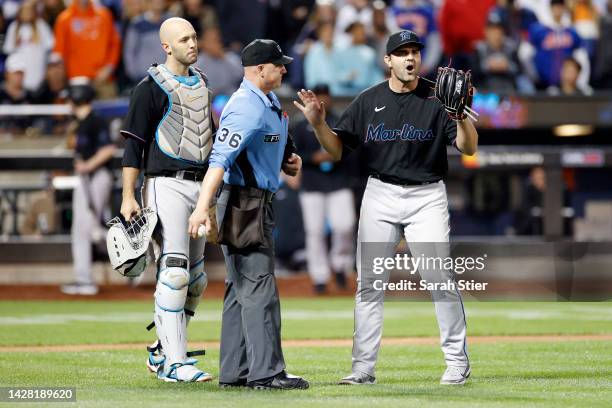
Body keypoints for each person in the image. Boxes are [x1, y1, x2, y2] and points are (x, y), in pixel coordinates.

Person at [294, 30, 479, 386]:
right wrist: (318, 125)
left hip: (426, 195)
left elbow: (468, 147)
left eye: (414, 52)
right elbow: (336, 150)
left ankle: (457, 362)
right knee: (369, 285)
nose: (410, 58)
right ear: (388, 60)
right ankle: (363, 369)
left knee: (439, 279)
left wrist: (460, 117)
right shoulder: (368, 100)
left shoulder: (438, 98)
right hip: (380, 193)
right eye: (402, 52)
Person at [187, 39, 309, 390]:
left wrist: (288, 159)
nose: (284, 69)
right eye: (278, 64)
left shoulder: (267, 100)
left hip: (255, 199)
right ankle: (267, 373)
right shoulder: (245, 107)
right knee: (259, 288)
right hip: (244, 203)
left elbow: (269, 144)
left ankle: (235, 371)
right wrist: (201, 207)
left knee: (239, 288)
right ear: (259, 69)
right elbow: (219, 160)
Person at [119, 17, 215, 383]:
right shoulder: (149, 87)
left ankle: (163, 351)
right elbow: (134, 146)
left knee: (196, 279)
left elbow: (208, 135)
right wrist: (129, 195)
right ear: (166, 46)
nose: (192, 43)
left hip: (200, 185)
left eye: (194, 36)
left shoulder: (202, 82)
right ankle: (175, 364)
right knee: (174, 271)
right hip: (165, 184)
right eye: (183, 39)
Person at [291, 84, 356, 294]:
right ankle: (319, 276)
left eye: (325, 96)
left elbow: (353, 147)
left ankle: (339, 264)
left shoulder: (341, 120)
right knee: (314, 231)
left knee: (344, 225)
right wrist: (313, 158)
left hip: (339, 179)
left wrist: (335, 153)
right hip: (312, 181)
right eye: (318, 96)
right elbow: (293, 152)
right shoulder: (301, 125)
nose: (322, 100)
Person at [60, 78, 116, 296]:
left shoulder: (95, 121)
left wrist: (87, 165)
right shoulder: (80, 122)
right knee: (85, 229)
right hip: (86, 178)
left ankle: (86, 280)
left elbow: (108, 150)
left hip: (97, 176)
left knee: (87, 229)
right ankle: (84, 278)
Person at [53, 0, 121, 99]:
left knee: (109, 112)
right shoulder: (64, 19)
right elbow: (59, 52)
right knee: (79, 113)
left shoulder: (104, 15)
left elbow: (115, 44)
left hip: (103, 80)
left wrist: (109, 68)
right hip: (76, 81)